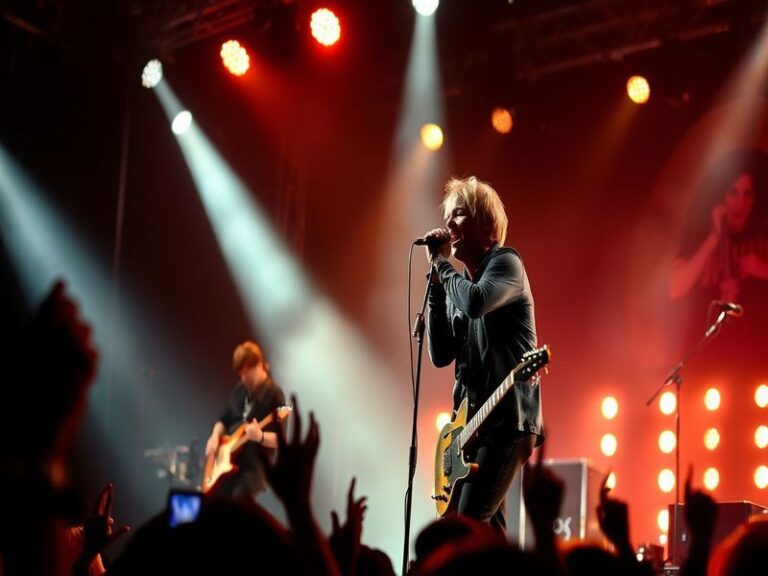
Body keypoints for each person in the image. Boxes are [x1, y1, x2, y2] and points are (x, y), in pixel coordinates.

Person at [422, 175, 544, 534]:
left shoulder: (507, 265)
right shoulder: (459, 284)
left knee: (464, 529)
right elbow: (440, 353)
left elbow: (476, 303)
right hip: (474, 428)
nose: (448, 224)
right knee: (489, 538)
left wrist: (443, 267)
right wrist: (436, 289)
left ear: (485, 223)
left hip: (507, 422)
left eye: (458, 215)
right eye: (448, 216)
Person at [668, 148, 768, 306]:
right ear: (722, 195)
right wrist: (714, 237)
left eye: (747, 194)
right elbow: (674, 289)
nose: (740, 203)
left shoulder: (762, 230)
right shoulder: (700, 233)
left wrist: (762, 269)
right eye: (733, 193)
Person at [204, 340, 286, 500]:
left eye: (246, 372)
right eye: (240, 374)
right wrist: (214, 437)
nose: (243, 378)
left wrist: (260, 436)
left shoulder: (274, 394)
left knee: (235, 510)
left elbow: (280, 441)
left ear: (258, 365)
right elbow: (223, 420)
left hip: (252, 471)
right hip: (226, 467)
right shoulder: (239, 390)